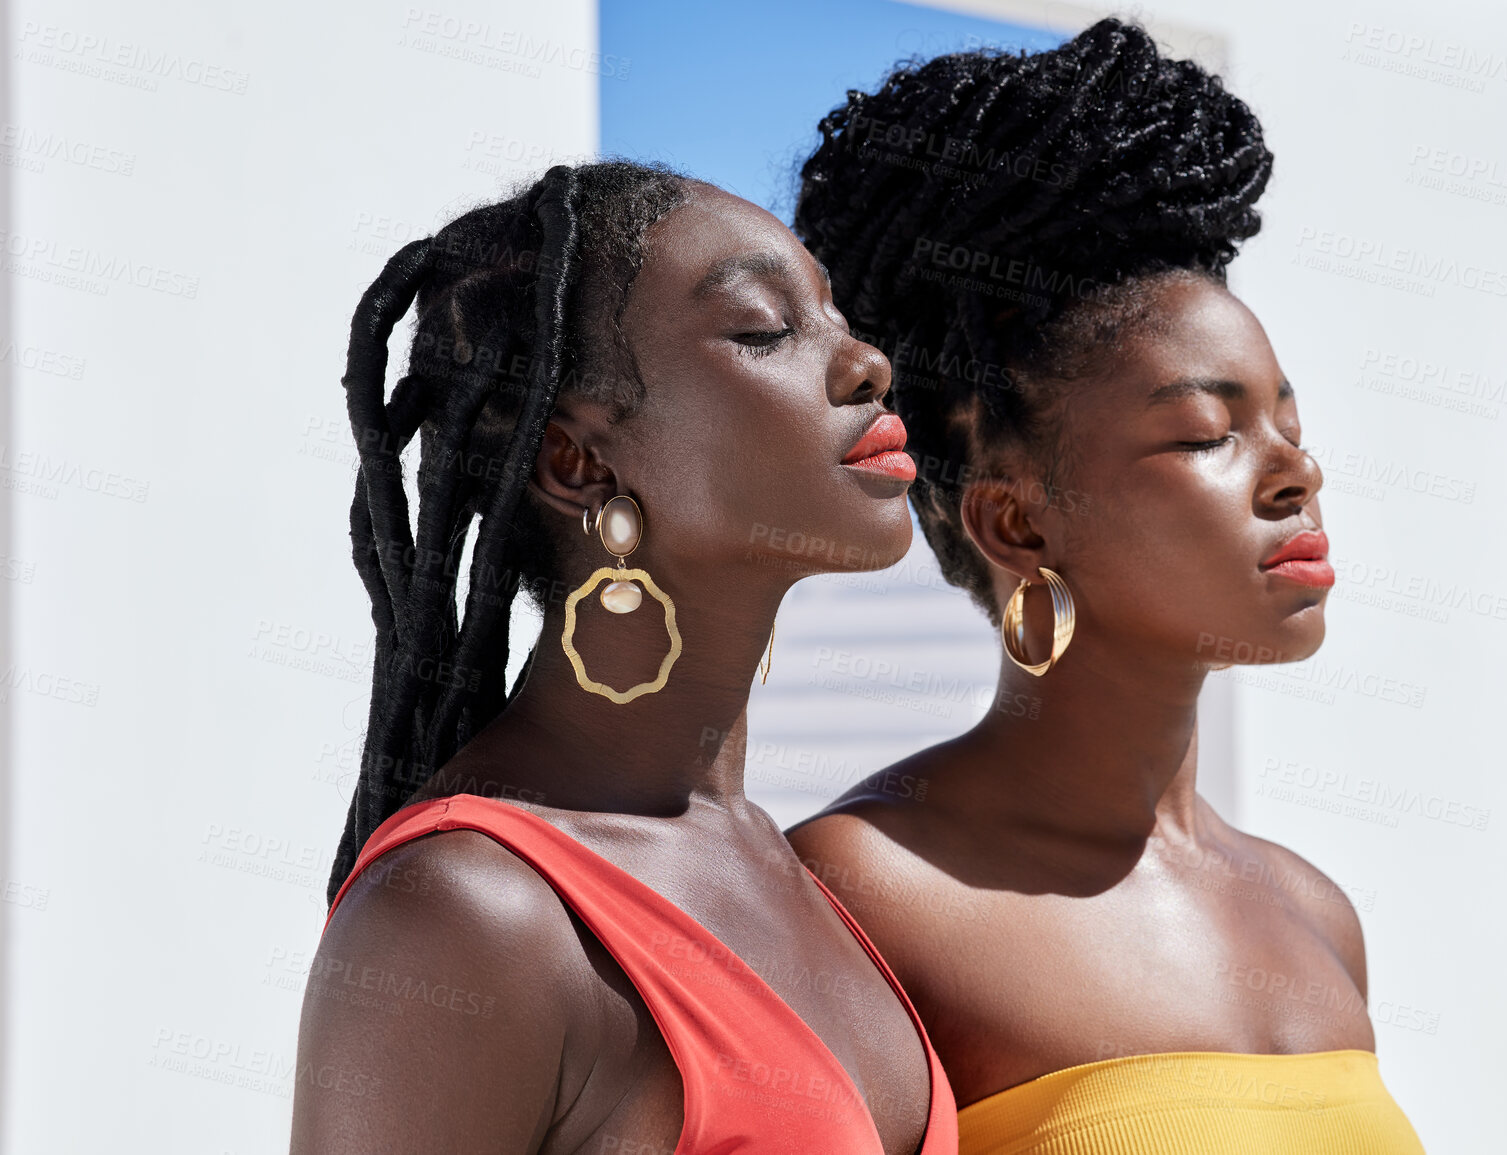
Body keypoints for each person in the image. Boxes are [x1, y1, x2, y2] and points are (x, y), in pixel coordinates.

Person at [788, 21, 1424, 1154]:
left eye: (1289, 419)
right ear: (1018, 522)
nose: (1297, 472)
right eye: (1205, 434)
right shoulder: (866, 891)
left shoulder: (1315, 912)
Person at [291, 160, 956, 1155]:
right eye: (763, 329)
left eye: (834, 313)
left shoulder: (790, 866)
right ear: (580, 462)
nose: (864, 362)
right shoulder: (475, 914)